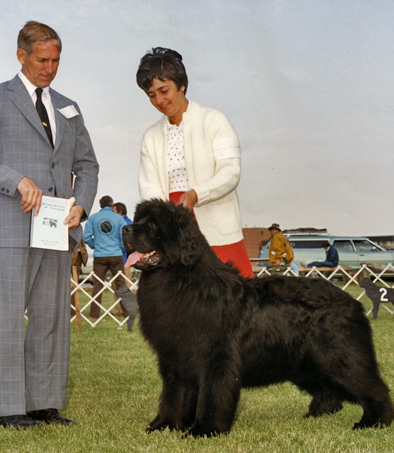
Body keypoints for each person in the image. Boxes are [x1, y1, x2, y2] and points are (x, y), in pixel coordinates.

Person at [0, 21, 99, 429]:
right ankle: (7, 408)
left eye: (56, 60)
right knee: (5, 317)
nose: (49, 68)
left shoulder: (68, 106)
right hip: (11, 226)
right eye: (42, 59)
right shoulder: (1, 99)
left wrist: (82, 206)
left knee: (50, 317)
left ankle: (44, 403)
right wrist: (15, 180)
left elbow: (87, 165)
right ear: (21, 55)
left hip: (58, 230)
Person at [136, 47, 253, 277]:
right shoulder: (150, 137)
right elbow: (149, 188)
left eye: (164, 90)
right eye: (151, 95)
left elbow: (230, 172)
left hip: (216, 226)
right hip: (172, 231)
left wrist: (196, 194)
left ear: (182, 85)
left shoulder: (214, 120)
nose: (159, 100)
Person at [83, 196, 137, 328]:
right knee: (121, 284)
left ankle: (94, 314)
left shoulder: (93, 218)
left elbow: (86, 237)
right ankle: (126, 313)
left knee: (97, 285)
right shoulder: (119, 219)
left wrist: (95, 245)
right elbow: (126, 237)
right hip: (115, 255)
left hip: (99, 256)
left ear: (100, 205)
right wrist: (120, 247)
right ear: (111, 204)